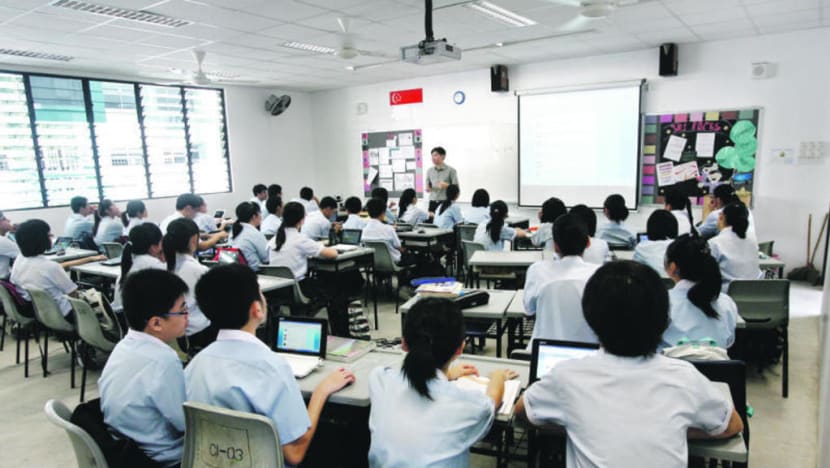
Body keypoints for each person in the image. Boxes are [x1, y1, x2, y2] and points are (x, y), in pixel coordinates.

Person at [515, 261, 744, 467]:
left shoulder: (567, 376)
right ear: (663, 319)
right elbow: (732, 425)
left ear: (590, 317)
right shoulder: (684, 376)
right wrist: (676, 429)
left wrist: (575, 424)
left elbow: (523, 412)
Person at [185, 264, 355, 466]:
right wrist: (321, 391)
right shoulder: (272, 366)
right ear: (257, 309)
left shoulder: (194, 366)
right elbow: (295, 453)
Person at [368, 297, 516, 467]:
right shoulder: (470, 405)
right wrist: (498, 376)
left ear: (403, 344)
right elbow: (492, 401)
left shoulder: (380, 380)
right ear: (460, 348)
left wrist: (447, 374)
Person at [98, 269, 189, 468]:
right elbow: (185, 424)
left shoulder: (123, 347)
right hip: (160, 458)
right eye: (182, 310)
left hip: (124, 447)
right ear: (156, 323)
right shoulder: (163, 360)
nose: (187, 316)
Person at [523, 213, 600, 346]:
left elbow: (529, 310)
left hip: (542, 352)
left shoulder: (537, 270)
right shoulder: (600, 274)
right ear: (588, 243)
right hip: (587, 353)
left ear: (555, 245)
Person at [662, 235, 738, 349]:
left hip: (670, 365)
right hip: (718, 366)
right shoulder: (726, 303)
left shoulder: (661, 302)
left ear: (672, 267)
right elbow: (729, 342)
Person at [11, 219, 80, 321]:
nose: (51, 237)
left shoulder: (19, 259)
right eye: (48, 235)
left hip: (39, 312)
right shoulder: (51, 266)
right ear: (41, 240)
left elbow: (13, 280)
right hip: (63, 314)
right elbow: (72, 293)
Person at [163, 218, 216, 350]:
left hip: (174, 331)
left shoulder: (165, 265)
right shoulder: (197, 270)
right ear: (194, 240)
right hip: (197, 332)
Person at [708, 202, 762, 291]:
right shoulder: (752, 240)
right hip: (755, 294)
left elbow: (707, 274)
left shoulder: (715, 243)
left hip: (728, 295)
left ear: (721, 216)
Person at [111, 223, 165, 311]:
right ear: (154, 247)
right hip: (138, 320)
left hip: (122, 319)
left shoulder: (130, 261)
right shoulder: (154, 265)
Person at [160, 193, 228, 250]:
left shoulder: (169, 219)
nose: (196, 215)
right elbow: (201, 246)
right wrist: (218, 236)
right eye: (196, 211)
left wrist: (209, 235)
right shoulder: (182, 223)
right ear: (188, 208)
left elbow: (185, 236)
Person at [633, 209, 678, 277]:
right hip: (676, 285)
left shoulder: (642, 247)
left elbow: (635, 271)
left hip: (651, 286)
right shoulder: (679, 246)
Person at [362, 198, 408, 264]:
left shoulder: (364, 230)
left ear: (368, 212)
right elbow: (398, 246)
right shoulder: (389, 229)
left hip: (374, 262)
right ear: (383, 213)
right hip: (393, 261)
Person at [230, 201, 269, 271]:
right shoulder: (254, 233)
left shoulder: (233, 231)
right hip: (255, 273)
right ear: (254, 216)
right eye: (260, 213)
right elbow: (267, 258)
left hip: (238, 272)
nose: (261, 216)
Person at [425, 146, 459, 213]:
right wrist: (428, 188)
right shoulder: (429, 171)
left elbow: (456, 189)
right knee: (431, 222)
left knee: (444, 221)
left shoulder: (451, 170)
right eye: (432, 156)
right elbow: (428, 186)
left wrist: (447, 186)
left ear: (443, 157)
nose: (433, 158)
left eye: (435, 155)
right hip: (433, 202)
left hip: (445, 202)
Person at [0, 211, 20, 280]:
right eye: (4, 219)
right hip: (3, 282)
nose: (9, 220)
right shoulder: (2, 241)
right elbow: (25, 254)